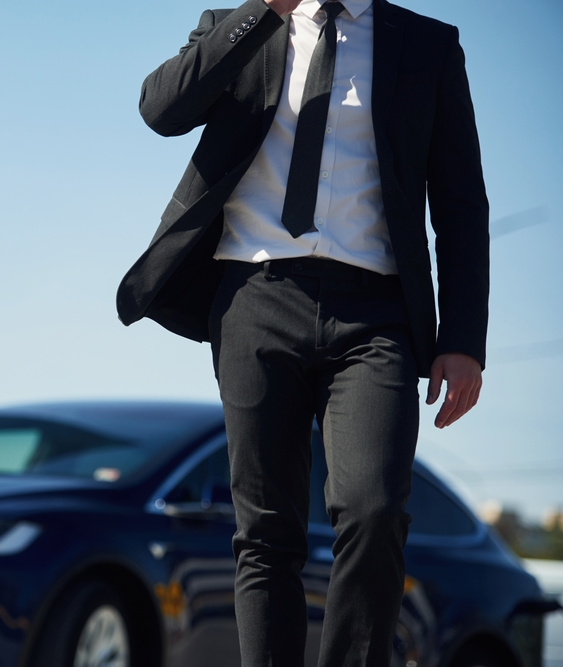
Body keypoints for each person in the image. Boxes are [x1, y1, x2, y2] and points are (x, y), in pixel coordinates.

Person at [116, 0, 488, 665]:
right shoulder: (238, 25)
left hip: (377, 313)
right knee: (265, 532)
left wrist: (462, 336)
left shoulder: (429, 46)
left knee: (373, 510)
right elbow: (159, 109)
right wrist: (263, 13)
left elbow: (460, 201)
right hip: (255, 298)